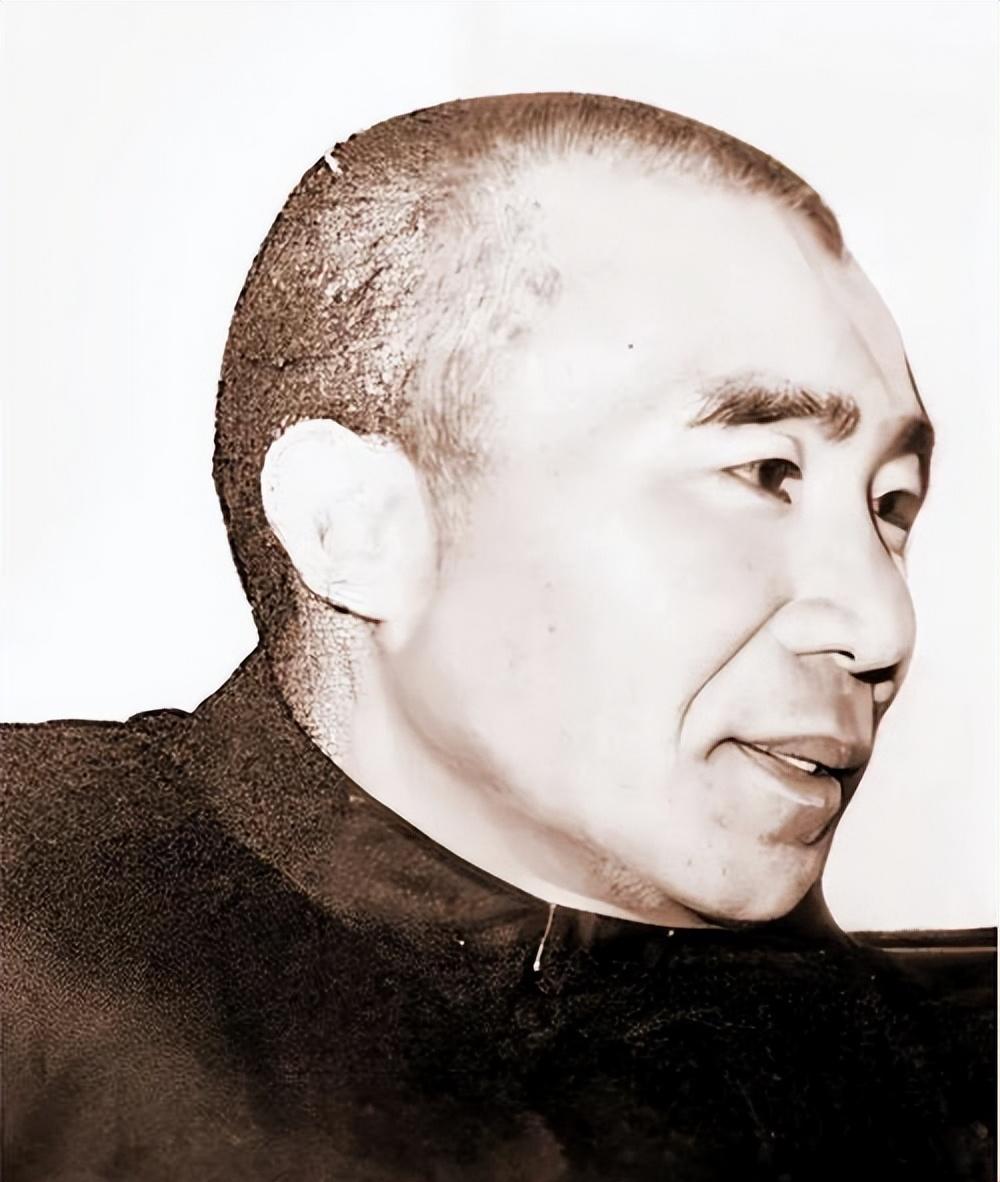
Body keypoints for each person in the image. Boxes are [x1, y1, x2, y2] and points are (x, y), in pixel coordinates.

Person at [2, 93, 994, 1181]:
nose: (881, 625)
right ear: (358, 526)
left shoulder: (902, 1081)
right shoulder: (32, 933)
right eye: (765, 473)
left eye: (890, 505)